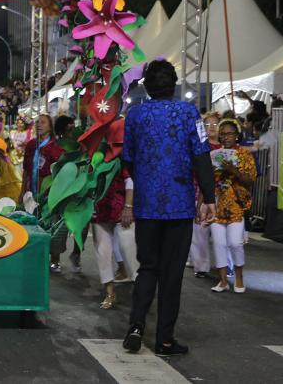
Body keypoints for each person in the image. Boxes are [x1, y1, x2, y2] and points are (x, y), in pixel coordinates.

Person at [121, 60, 216, 356]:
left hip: (148, 206)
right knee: (172, 274)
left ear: (146, 86)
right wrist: (208, 197)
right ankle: (164, 340)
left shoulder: (134, 114)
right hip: (179, 206)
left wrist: (146, 182)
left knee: (147, 268)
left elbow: (127, 158)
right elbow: (201, 155)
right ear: (173, 84)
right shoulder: (189, 113)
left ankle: (136, 326)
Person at [208, 119, 256, 293]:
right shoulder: (214, 154)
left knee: (235, 243)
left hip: (236, 206)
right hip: (217, 205)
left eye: (229, 133)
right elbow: (208, 183)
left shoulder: (244, 155)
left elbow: (250, 180)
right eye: (223, 134)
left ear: (237, 136)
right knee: (219, 244)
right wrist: (202, 205)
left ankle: (239, 277)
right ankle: (222, 281)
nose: (225, 137)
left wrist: (232, 170)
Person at [20, 115, 65, 272]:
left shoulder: (56, 146)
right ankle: (35, 256)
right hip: (32, 191)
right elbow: (26, 169)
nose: (39, 125)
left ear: (50, 126)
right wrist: (22, 190)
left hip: (50, 193)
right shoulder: (31, 145)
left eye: (43, 122)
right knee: (33, 223)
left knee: (52, 225)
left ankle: (55, 259)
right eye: (37, 122)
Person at [91, 164, 138, 309]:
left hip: (122, 209)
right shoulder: (89, 157)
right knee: (102, 252)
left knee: (130, 251)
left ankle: (141, 291)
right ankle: (110, 293)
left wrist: (128, 207)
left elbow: (130, 181)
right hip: (99, 210)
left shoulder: (120, 156)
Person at [190, 112, 222, 278]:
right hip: (199, 192)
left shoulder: (225, 148)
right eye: (207, 124)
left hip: (222, 194)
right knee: (200, 231)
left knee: (220, 234)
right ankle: (201, 265)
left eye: (215, 124)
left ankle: (225, 265)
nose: (211, 127)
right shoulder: (198, 147)